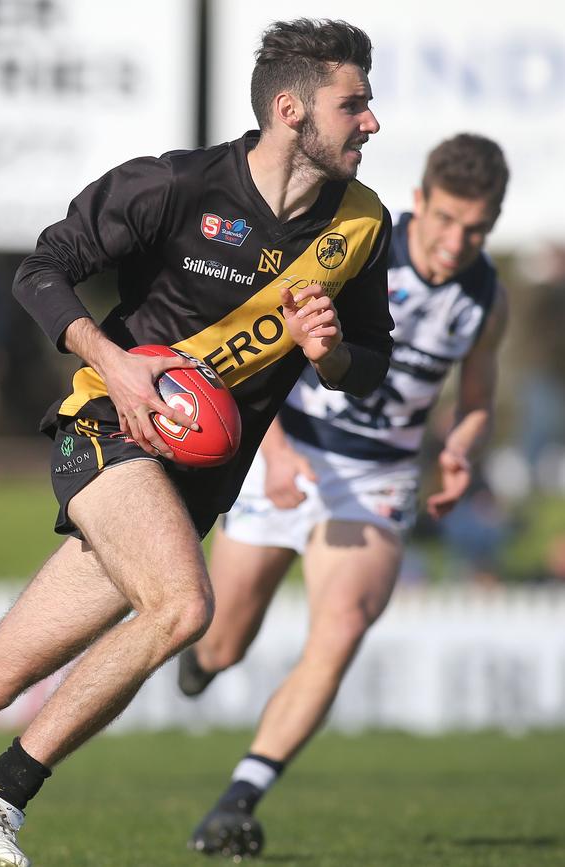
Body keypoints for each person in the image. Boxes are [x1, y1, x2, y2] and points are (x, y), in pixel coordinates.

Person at [0, 19, 394, 867]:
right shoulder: (174, 187)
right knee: (183, 607)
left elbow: (370, 364)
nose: (373, 121)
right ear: (290, 109)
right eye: (352, 103)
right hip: (105, 430)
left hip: (189, 491)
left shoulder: (360, 225)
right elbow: (40, 272)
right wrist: (115, 362)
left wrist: (331, 355)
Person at [180, 132, 510, 859]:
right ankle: (203, 663)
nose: (458, 243)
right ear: (419, 202)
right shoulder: (355, 244)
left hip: (379, 478)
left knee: (344, 622)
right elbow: (257, 350)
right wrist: (270, 449)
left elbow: (477, 397)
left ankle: (240, 797)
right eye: (447, 220)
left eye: (477, 228)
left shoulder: (486, 297)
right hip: (289, 450)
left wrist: (460, 449)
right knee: (221, 638)